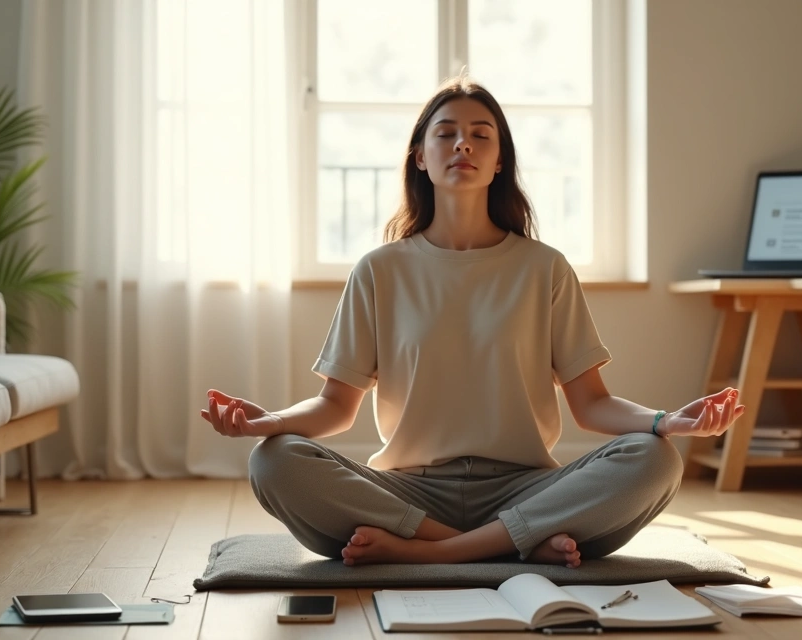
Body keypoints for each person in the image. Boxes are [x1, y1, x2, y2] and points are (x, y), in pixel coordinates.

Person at [200, 75, 745, 569]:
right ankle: (507, 546)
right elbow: (335, 409)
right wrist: (268, 423)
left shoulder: (545, 267)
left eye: (481, 134)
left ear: (500, 160)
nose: (463, 143)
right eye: (446, 133)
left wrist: (665, 422)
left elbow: (591, 404)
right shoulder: (378, 270)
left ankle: (431, 553)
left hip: (525, 488)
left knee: (655, 460)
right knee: (274, 461)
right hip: (408, 495)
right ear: (419, 157)